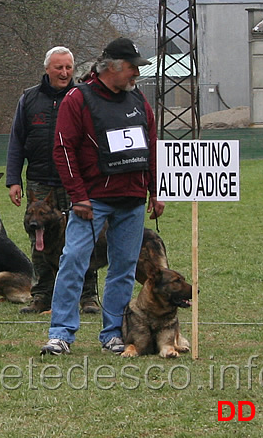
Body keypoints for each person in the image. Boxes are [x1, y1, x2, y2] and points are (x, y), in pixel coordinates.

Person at [40, 37, 165, 355]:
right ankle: (61, 334)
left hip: (133, 200)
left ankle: (113, 333)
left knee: (123, 269)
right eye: (132, 68)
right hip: (92, 201)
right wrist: (78, 196)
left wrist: (155, 191)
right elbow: (64, 149)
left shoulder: (139, 100)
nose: (136, 74)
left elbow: (150, 146)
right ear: (112, 67)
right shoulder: (77, 99)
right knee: (73, 262)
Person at [6, 46, 99, 314]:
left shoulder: (83, 97)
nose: (64, 72)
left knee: (82, 239)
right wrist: (14, 179)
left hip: (76, 182)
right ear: (47, 69)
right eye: (59, 67)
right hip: (39, 180)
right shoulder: (29, 98)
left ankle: (88, 296)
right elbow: (17, 142)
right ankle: (42, 295)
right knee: (39, 239)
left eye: (69, 67)